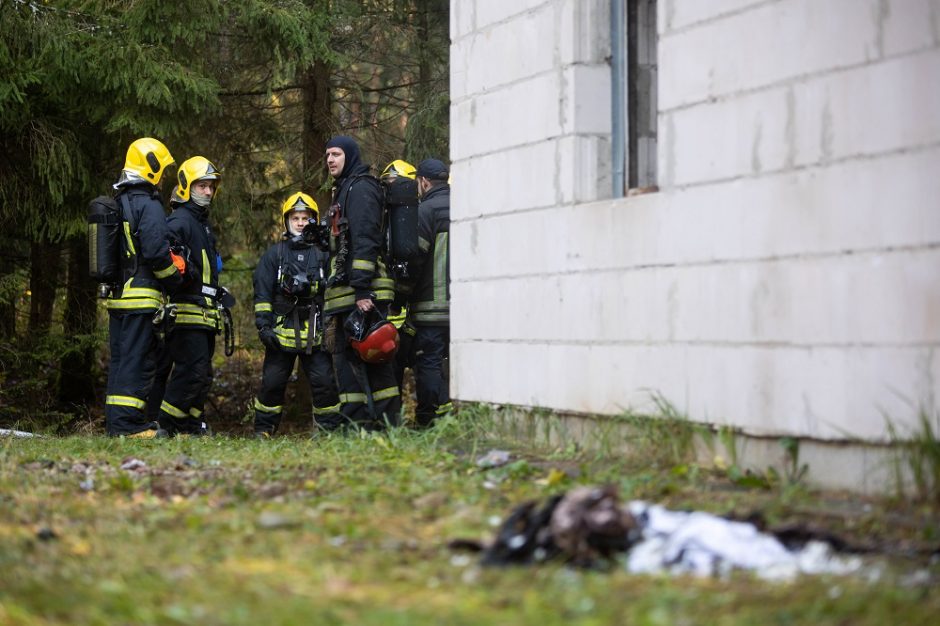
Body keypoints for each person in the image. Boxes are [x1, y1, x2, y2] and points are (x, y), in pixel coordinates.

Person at [105, 137, 183, 438]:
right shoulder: (147, 204)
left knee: (122, 360)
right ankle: (130, 427)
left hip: (119, 296)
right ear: (150, 167)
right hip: (141, 297)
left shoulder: (120, 201)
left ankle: (116, 424)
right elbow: (155, 253)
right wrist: (174, 279)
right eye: (161, 169)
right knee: (138, 360)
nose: (162, 176)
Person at [322, 136, 400, 429]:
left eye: (336, 154)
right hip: (347, 295)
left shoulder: (362, 188)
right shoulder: (344, 189)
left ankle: (389, 426)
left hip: (364, 293)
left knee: (377, 359)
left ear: (350, 156)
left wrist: (363, 289)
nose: (330, 160)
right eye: (327, 155)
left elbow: (366, 239)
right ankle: (358, 427)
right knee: (347, 364)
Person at [252, 192, 342, 437]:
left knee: (324, 383)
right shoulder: (275, 255)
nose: (301, 223)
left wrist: (332, 323)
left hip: (316, 335)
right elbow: (262, 293)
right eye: (296, 217)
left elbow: (334, 289)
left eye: (305, 218)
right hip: (281, 336)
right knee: (271, 384)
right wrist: (264, 327)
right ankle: (263, 431)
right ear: (287, 221)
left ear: (313, 220)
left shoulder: (324, 254)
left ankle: (328, 433)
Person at [151, 156, 223, 437]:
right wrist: (183, 268)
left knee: (202, 376)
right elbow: (167, 258)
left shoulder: (202, 224)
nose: (207, 192)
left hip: (205, 312)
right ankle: (166, 426)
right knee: (190, 372)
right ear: (185, 187)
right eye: (201, 186)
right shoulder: (179, 220)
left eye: (210, 187)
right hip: (186, 311)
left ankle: (193, 428)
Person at [408, 158, 452, 427]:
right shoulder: (467, 207)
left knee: (429, 364)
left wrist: (402, 294)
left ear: (423, 182)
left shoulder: (424, 211)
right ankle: (455, 419)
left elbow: (415, 260)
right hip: (464, 310)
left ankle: (428, 421)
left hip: (430, 309)